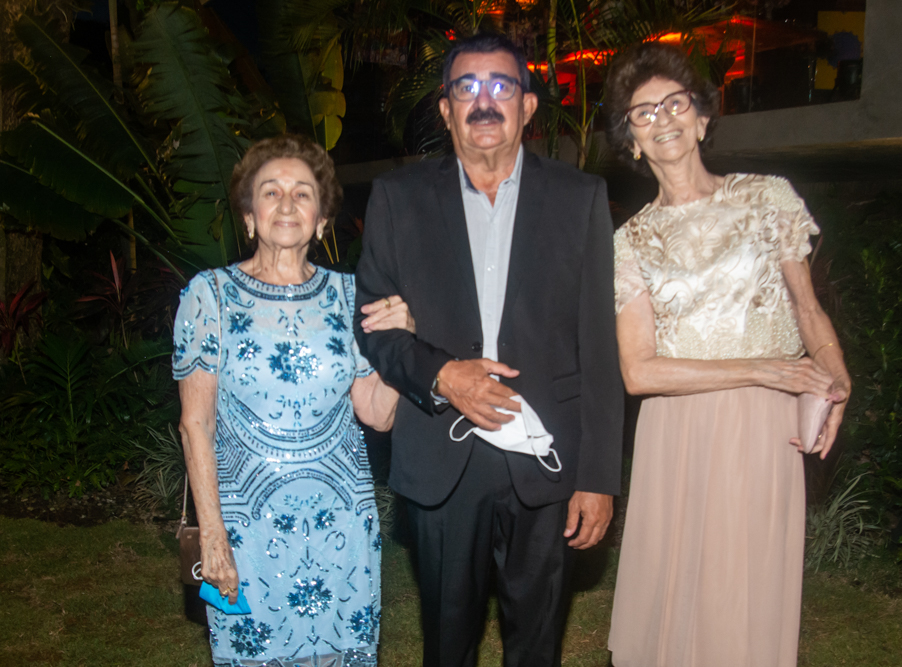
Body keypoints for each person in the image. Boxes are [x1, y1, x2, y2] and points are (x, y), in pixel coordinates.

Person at [353, 32, 623, 667]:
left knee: (537, 644)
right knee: (448, 644)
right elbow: (375, 327)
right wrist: (444, 375)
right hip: (443, 456)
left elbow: (599, 347)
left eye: (501, 85)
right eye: (465, 87)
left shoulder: (580, 198)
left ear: (527, 106)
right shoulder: (397, 198)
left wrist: (597, 477)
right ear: (445, 109)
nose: (483, 100)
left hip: (549, 457)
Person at [604, 43, 851, 667]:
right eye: (642, 113)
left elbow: (807, 309)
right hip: (679, 425)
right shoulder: (628, 241)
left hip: (764, 426)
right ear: (632, 142)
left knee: (746, 589)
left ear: (702, 118)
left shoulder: (769, 198)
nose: (662, 119)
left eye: (674, 103)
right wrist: (762, 368)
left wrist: (833, 371)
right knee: (680, 590)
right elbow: (638, 372)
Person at [173, 135, 413, 667]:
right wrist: (212, 534)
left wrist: (402, 346)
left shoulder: (351, 297)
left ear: (322, 219)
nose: (287, 204)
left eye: (303, 193)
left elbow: (377, 413)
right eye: (271, 192)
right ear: (249, 215)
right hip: (245, 529)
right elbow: (195, 424)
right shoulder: (210, 295)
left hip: (341, 528)